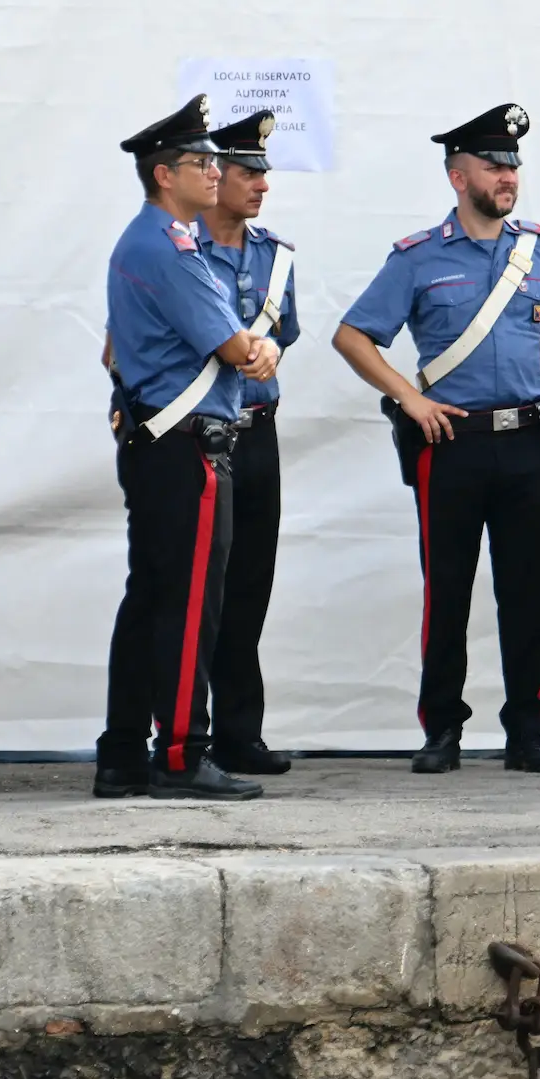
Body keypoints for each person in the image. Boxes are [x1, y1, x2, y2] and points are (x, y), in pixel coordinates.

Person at [333, 104, 540, 777]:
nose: (508, 175)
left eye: (513, 164)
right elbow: (353, 334)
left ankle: (527, 729)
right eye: (494, 165)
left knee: (526, 593)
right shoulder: (418, 258)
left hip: (524, 442)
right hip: (450, 443)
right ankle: (441, 730)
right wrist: (409, 397)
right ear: (458, 176)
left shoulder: (538, 250)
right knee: (448, 592)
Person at [96, 95, 274, 802]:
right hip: (188, 448)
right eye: (202, 162)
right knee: (188, 604)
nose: (215, 171)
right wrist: (252, 349)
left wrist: (250, 348)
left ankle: (121, 752)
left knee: (153, 597)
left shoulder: (153, 241)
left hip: (164, 445)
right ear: (164, 174)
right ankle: (178, 752)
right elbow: (233, 344)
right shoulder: (167, 247)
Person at [192, 110, 300, 778]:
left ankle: (239, 732)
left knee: (249, 588)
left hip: (259, 434)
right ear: (214, 176)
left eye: (263, 173)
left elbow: (282, 336)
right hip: (203, 439)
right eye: (247, 172)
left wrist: (268, 358)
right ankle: (185, 735)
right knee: (199, 591)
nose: (260, 184)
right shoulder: (179, 251)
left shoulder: (274, 256)